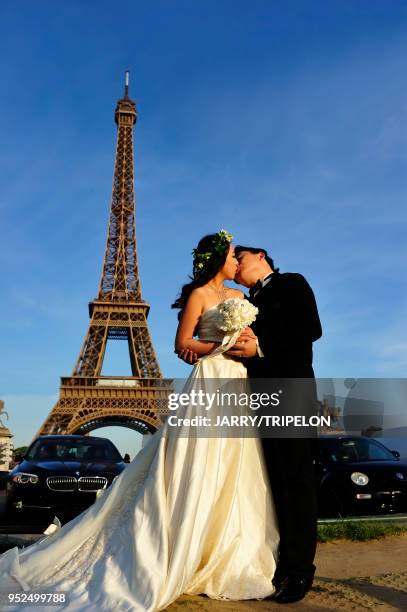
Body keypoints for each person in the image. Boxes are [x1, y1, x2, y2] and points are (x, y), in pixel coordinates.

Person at [0, 230, 279, 611]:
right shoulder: (199, 296)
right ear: (217, 260)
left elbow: (253, 341)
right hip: (210, 379)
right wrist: (222, 345)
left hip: (235, 384)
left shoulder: (241, 299)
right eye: (232, 254)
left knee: (233, 465)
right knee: (197, 462)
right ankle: (178, 545)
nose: (237, 260)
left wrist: (248, 345)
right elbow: (183, 346)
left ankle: (221, 551)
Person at [179, 244, 322, 604]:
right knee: (269, 483)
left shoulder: (292, 283)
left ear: (260, 256)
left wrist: (259, 348)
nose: (235, 264)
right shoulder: (240, 300)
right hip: (250, 398)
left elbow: (310, 328)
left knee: (297, 480)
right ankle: (275, 563)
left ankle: (300, 571)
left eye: (238, 257)